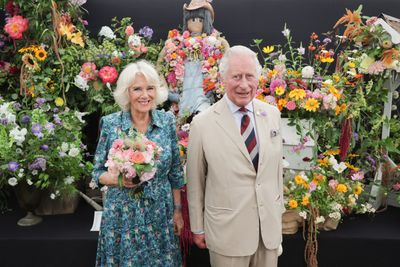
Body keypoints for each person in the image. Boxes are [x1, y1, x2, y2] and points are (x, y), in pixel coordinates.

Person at [186, 45, 285, 267]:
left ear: (258, 78)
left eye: (249, 76)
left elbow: (276, 172)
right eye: (236, 76)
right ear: (223, 79)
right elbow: (195, 182)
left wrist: (277, 217)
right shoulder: (202, 124)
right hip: (227, 234)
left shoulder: (272, 115)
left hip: (267, 234)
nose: (244, 84)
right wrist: (198, 227)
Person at [91, 60, 185, 267]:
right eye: (137, 89)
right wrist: (120, 180)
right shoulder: (111, 124)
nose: (145, 95)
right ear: (127, 93)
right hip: (122, 215)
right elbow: (97, 173)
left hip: (160, 213)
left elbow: (176, 172)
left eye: (150, 88)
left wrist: (178, 212)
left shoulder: (167, 121)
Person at [157, 0, 229, 117]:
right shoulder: (176, 44)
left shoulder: (216, 43)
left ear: (207, 21)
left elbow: (228, 65)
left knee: (203, 121)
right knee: (181, 126)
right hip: (182, 96)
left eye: (200, 19)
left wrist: (217, 89)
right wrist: (166, 91)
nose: (196, 22)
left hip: (205, 95)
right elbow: (159, 66)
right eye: (192, 19)